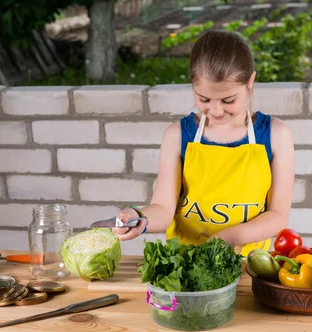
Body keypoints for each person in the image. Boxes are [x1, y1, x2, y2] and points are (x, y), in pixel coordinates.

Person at [112, 30, 295, 256]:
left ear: (250, 82)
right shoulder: (177, 135)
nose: (216, 111)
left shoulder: (276, 135)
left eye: (228, 100)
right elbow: (163, 208)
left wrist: (229, 236)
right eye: (204, 99)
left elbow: (278, 215)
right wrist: (139, 217)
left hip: (249, 267)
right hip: (185, 265)